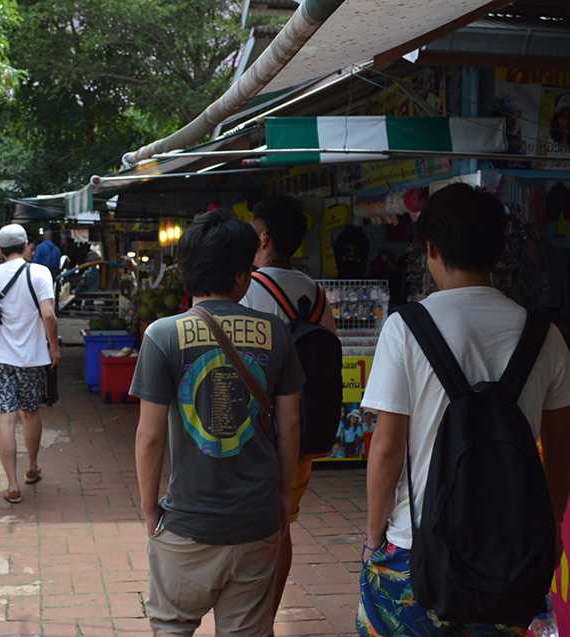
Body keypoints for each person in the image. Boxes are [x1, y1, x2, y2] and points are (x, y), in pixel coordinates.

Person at [358, 183, 570, 636]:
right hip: (512, 553)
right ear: (498, 249)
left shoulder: (405, 329)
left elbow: (388, 446)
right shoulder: (546, 336)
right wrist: (551, 526)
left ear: (430, 248)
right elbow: (560, 448)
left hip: (416, 547)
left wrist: (375, 534)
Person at [131, 208, 305, 637]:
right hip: (257, 522)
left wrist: (150, 505)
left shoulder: (162, 335)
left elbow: (150, 438)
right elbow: (291, 427)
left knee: (171, 628)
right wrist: (283, 495)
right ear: (244, 276)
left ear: (186, 272)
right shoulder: (276, 332)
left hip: (187, 524)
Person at [239, 193, 337, 609]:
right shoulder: (315, 292)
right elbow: (330, 349)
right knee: (283, 528)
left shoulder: (246, 288)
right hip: (302, 429)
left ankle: (247, 616)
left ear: (262, 238)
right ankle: (269, 616)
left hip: (257, 430)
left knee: (247, 528)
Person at [0, 224, 60, 504]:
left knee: (6, 419)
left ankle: (12, 486)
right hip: (32, 358)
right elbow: (48, 315)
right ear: (27, 245)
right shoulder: (39, 272)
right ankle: (31, 467)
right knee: (30, 411)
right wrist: (54, 345)